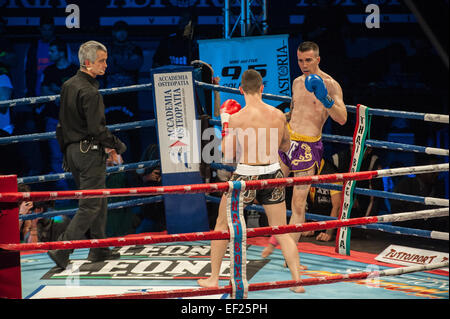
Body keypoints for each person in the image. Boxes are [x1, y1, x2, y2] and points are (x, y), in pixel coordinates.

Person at [197, 69, 305, 293]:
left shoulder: (237, 118)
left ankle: (213, 279)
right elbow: (286, 146)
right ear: (262, 88)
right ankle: (297, 282)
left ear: (240, 90)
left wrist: (226, 124)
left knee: (221, 225)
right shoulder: (277, 114)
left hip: (245, 177)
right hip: (273, 174)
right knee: (281, 229)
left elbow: (226, 154)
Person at [262, 41, 347, 266]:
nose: (303, 65)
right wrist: (280, 120)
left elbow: (342, 118)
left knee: (298, 203)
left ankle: (291, 257)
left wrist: (324, 98)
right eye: (300, 60)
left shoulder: (331, 85)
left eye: (308, 60)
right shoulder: (297, 81)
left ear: (318, 59)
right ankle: (278, 235)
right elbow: (296, 110)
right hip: (288, 141)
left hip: (308, 147)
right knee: (272, 191)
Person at [47, 40, 127, 269]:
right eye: (102, 61)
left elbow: (61, 125)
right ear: (88, 62)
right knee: (91, 204)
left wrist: (66, 152)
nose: (106, 65)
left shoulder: (68, 85)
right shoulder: (90, 91)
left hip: (73, 152)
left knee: (98, 200)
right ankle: (62, 249)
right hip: (88, 151)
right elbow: (97, 130)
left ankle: (99, 248)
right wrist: (117, 146)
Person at [104, 21, 143, 163]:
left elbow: (135, 64)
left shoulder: (134, 48)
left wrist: (116, 61)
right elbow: (104, 68)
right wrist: (124, 63)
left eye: (123, 30)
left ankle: (137, 167)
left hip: (129, 97)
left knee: (134, 132)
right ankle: (111, 169)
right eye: (118, 30)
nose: (121, 33)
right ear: (113, 32)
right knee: (109, 133)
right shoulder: (105, 49)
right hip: (110, 97)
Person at [40, 40, 78, 184]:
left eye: (52, 51)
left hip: (73, 120)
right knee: (56, 156)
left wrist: (58, 92)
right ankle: (64, 195)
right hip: (53, 118)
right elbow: (43, 92)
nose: (49, 54)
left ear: (61, 52)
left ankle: (79, 193)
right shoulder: (48, 71)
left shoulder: (75, 70)